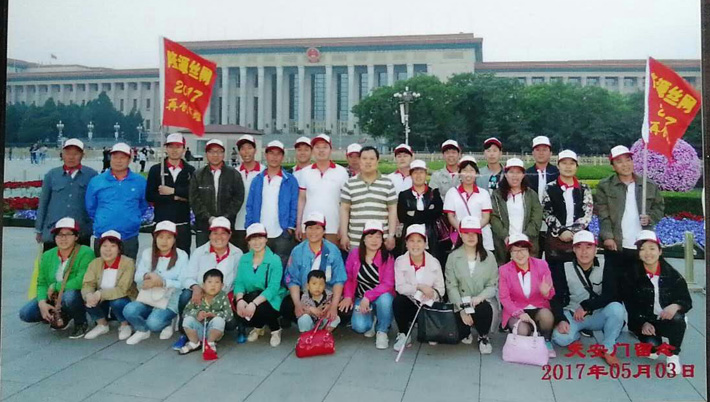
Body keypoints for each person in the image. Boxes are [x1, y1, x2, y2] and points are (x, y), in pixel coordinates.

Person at [621, 230, 692, 375]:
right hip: (645, 320)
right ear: (638, 253)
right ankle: (654, 342)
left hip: (666, 317)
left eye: (652, 248)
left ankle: (673, 355)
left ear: (660, 251)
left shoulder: (672, 275)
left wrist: (676, 305)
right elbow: (630, 305)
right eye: (642, 249)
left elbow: (686, 300)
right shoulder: (631, 275)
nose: (648, 253)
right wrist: (643, 322)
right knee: (651, 350)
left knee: (678, 318)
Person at [550, 231, 624, 366]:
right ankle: (577, 333)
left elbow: (612, 294)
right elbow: (557, 297)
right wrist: (561, 319)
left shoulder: (606, 264)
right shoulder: (563, 267)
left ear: (596, 249)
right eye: (579, 247)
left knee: (617, 309)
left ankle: (607, 348)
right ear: (573, 249)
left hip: (598, 313)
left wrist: (587, 306)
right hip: (574, 314)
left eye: (589, 247)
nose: (584, 252)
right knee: (560, 338)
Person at [595, 145, 664, 282]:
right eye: (619, 162)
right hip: (617, 244)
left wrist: (650, 218)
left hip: (642, 245)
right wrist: (608, 236)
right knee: (615, 285)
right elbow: (603, 214)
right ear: (613, 166)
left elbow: (659, 207)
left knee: (640, 284)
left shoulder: (648, 185)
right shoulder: (605, 186)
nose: (625, 165)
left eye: (628, 160)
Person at [173, 216, 243, 349]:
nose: (219, 237)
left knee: (230, 325)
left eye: (223, 233)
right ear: (209, 235)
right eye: (215, 233)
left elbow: (239, 280)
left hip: (223, 298)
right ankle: (185, 334)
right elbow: (187, 277)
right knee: (185, 296)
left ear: (229, 235)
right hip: (201, 296)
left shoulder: (237, 254)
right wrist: (196, 287)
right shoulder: (199, 252)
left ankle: (221, 331)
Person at [20, 218, 95, 338]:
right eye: (59, 235)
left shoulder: (86, 252)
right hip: (53, 296)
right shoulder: (47, 255)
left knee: (69, 297)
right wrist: (42, 302)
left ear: (76, 237)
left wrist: (55, 286)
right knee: (26, 313)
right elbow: (42, 282)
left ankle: (81, 322)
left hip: (75, 294)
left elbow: (82, 280)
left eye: (68, 234)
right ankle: (58, 315)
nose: (63, 238)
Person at [122, 221, 189, 345]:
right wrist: (147, 276)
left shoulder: (182, 256)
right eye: (161, 237)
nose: (164, 241)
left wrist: (163, 282)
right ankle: (143, 329)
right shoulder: (147, 253)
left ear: (174, 239)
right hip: (148, 297)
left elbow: (183, 283)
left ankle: (168, 322)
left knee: (154, 323)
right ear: (155, 238)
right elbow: (137, 277)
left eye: (169, 237)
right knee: (128, 310)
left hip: (169, 300)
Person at [282, 212, 347, 328]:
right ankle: (310, 321)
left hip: (327, 295)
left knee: (345, 310)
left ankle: (320, 322)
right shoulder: (298, 251)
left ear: (324, 231)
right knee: (286, 306)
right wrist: (298, 304)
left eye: (317, 228)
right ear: (305, 230)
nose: (313, 232)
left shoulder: (333, 250)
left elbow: (339, 280)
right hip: (306, 295)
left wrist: (333, 305)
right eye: (310, 228)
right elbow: (292, 280)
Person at [445, 216, 499, 353]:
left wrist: (480, 297)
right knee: (457, 334)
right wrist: (462, 309)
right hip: (460, 302)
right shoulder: (453, 257)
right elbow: (451, 286)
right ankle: (466, 331)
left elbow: (492, 285)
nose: (470, 237)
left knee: (484, 308)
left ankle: (483, 336)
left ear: (479, 235)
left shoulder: (489, 257)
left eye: (474, 233)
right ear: (461, 235)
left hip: (480, 301)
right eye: (466, 233)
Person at [85, 142, 148, 260]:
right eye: (115, 157)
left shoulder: (140, 181)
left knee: (127, 270)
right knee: (101, 270)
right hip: (103, 237)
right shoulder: (97, 181)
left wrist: (132, 219)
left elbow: (143, 205)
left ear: (129, 159)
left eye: (122, 157)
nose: (118, 161)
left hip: (129, 237)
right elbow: (91, 207)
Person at [498, 233, 557, 358]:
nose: (519, 254)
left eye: (523, 250)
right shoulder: (504, 270)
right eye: (515, 251)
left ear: (529, 251)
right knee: (522, 330)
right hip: (516, 309)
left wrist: (546, 293)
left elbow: (551, 293)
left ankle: (546, 340)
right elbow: (504, 298)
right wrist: (519, 313)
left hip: (538, 306)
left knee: (546, 316)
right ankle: (529, 337)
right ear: (510, 253)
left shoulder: (542, 265)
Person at [339, 220, 395, 349]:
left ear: (382, 240)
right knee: (360, 327)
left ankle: (382, 330)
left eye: (378, 237)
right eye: (370, 236)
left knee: (386, 299)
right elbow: (349, 278)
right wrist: (348, 296)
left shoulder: (387, 257)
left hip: (379, 296)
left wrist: (368, 296)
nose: (374, 240)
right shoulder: (355, 254)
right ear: (363, 239)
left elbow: (388, 283)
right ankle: (374, 319)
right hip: (361, 297)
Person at [35, 139, 97, 251]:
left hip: (81, 232)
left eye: (75, 154)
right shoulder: (52, 175)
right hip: (54, 231)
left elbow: (96, 204)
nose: (71, 157)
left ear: (82, 155)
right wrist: (39, 229)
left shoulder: (91, 175)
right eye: (68, 153)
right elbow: (43, 202)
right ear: (62, 154)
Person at [245, 140, 299, 268]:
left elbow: (294, 205)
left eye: (278, 154)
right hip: (260, 232)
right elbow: (250, 206)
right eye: (271, 153)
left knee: (281, 266)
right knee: (260, 266)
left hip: (282, 232)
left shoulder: (290, 180)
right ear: (266, 155)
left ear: (283, 157)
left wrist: (290, 227)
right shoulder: (257, 180)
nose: (274, 157)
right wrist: (249, 227)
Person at [233, 223, 288, 346]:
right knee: (241, 303)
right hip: (251, 296)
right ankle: (259, 326)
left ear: (266, 239)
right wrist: (240, 300)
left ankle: (275, 329)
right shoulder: (244, 259)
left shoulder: (274, 260)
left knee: (260, 304)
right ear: (248, 241)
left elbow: (273, 288)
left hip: (271, 299)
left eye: (260, 238)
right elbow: (239, 282)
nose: (256, 242)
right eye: (253, 239)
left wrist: (253, 304)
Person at [392, 224, 445, 351]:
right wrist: (419, 287)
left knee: (431, 339)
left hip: (429, 304)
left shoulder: (434, 262)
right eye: (411, 241)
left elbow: (441, 289)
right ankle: (404, 334)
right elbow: (400, 287)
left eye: (419, 241)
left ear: (425, 244)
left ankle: (430, 328)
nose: (415, 245)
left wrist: (432, 293)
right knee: (398, 301)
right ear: (406, 244)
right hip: (411, 302)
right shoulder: (400, 261)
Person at [542, 150, 593, 274]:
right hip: (556, 239)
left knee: (579, 274)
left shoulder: (584, 188)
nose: (568, 167)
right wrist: (561, 231)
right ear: (558, 166)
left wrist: (573, 231)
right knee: (556, 275)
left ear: (576, 166)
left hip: (580, 239)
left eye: (572, 163)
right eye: (564, 163)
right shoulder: (549, 187)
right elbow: (547, 212)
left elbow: (587, 213)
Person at [82, 230, 138, 340]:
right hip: (102, 298)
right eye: (104, 246)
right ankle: (102, 324)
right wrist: (88, 295)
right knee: (87, 299)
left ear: (119, 249)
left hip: (123, 297)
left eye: (113, 246)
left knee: (117, 302)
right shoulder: (95, 263)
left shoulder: (128, 263)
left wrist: (100, 294)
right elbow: (87, 283)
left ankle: (125, 324)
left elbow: (123, 289)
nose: (108, 250)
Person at [340, 146, 398, 251]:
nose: (368, 162)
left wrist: (391, 235)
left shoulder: (387, 183)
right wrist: (344, 235)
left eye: (372, 159)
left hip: (381, 241)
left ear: (377, 160)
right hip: (356, 240)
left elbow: (392, 210)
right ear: (359, 160)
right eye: (364, 158)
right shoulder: (350, 183)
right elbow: (344, 210)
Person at [189, 139, 245, 248]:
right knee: (204, 255)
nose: (215, 155)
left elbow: (238, 198)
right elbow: (194, 199)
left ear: (223, 154)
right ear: (206, 154)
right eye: (212, 152)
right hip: (204, 226)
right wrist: (209, 218)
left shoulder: (234, 174)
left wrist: (225, 218)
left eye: (219, 152)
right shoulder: (198, 175)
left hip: (227, 226)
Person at [146, 133, 196, 255]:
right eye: (171, 146)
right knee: (160, 257)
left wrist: (172, 191)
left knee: (183, 257)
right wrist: (176, 197)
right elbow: (150, 195)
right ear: (166, 148)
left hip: (182, 224)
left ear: (184, 149)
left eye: (178, 147)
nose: (174, 150)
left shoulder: (190, 171)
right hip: (161, 223)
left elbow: (192, 194)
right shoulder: (156, 170)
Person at [295, 134, 349, 244]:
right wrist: (299, 225)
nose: (321, 150)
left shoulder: (341, 172)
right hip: (309, 227)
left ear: (331, 150)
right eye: (317, 147)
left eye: (325, 147)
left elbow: (345, 203)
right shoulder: (305, 172)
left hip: (333, 227)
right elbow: (302, 199)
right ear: (313, 150)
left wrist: (343, 227)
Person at [490, 157, 543, 264]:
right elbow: (494, 217)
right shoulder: (497, 195)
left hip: (527, 242)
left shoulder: (531, 194)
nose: (515, 176)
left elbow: (536, 218)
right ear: (505, 174)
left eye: (518, 172)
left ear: (523, 175)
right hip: (504, 243)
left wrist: (524, 238)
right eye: (511, 172)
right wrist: (505, 236)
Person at [443, 155, 494, 252]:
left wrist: (474, 230)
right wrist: (463, 231)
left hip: (483, 238)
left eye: (471, 170)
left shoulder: (484, 193)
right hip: (460, 236)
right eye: (465, 170)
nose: (468, 174)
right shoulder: (452, 192)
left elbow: (486, 217)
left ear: (476, 173)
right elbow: (451, 217)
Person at [179, 269, 234, 356]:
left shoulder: (223, 296)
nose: (213, 285)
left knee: (219, 320)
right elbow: (185, 312)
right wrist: (197, 314)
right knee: (187, 320)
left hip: (213, 331)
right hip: (198, 330)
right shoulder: (198, 296)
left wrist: (215, 315)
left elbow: (229, 315)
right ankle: (194, 342)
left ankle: (210, 343)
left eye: (217, 282)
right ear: (203, 285)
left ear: (222, 285)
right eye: (209, 282)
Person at [397, 159, 443, 258]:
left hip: (431, 237)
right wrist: (426, 213)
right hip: (409, 237)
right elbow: (402, 217)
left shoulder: (434, 194)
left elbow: (436, 214)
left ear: (426, 174)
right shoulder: (404, 195)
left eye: (421, 172)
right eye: (415, 173)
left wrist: (414, 214)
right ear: (410, 175)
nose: (418, 176)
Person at [526, 136, 559, 253]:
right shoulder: (526, 174)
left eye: (544, 150)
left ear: (550, 153)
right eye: (537, 150)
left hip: (554, 222)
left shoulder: (557, 173)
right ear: (533, 153)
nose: (541, 153)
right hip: (532, 222)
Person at [233, 135, 264, 251]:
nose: (246, 152)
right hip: (238, 224)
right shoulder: (234, 173)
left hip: (258, 224)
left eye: (249, 148)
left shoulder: (264, 172)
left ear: (255, 150)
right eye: (243, 148)